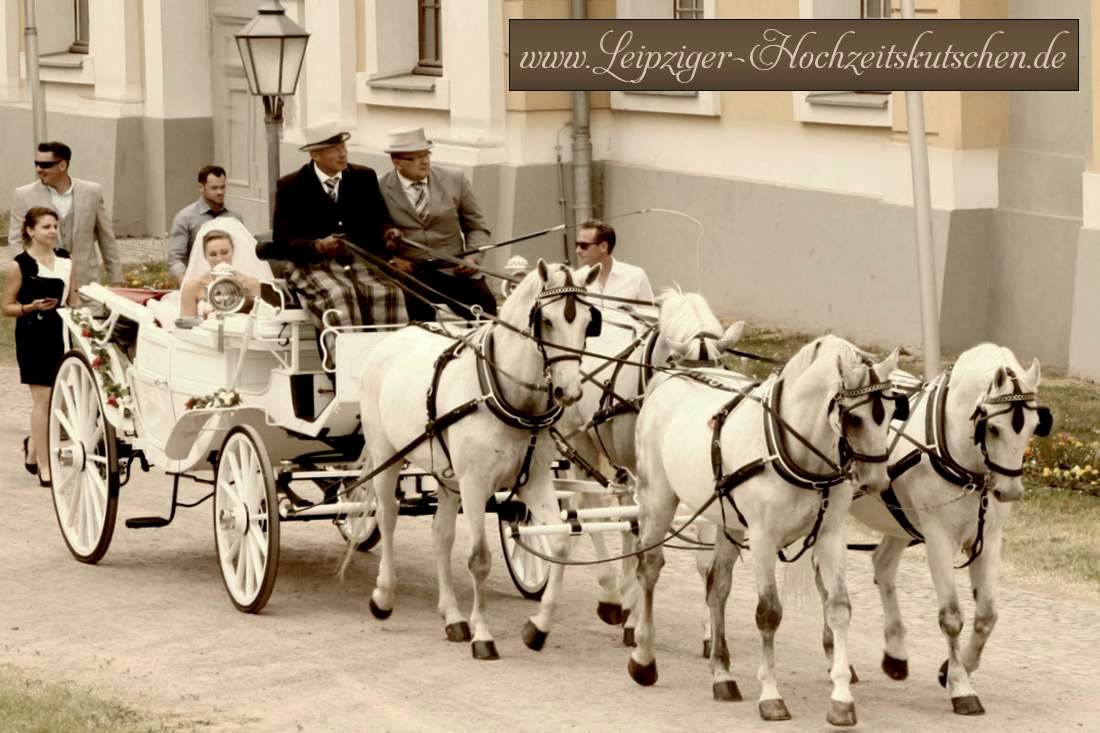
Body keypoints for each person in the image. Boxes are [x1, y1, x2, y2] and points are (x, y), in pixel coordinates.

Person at [260, 126, 406, 363]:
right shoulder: (291, 185)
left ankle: (389, 364)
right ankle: (345, 371)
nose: (342, 154)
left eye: (344, 147)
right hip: (311, 264)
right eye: (333, 149)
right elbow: (282, 241)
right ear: (314, 154)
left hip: (357, 261)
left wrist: (389, 232)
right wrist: (317, 246)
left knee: (391, 293)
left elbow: (380, 220)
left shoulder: (364, 177)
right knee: (340, 298)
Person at [378, 127, 497, 322]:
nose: (424, 161)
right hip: (412, 272)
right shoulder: (380, 188)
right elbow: (373, 231)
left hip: (453, 268)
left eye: (426, 154)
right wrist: (392, 259)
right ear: (396, 161)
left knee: (487, 314)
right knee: (417, 321)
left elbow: (476, 226)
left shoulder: (454, 179)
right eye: (415, 157)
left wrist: (472, 259)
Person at [2, 207, 80, 487]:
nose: (52, 231)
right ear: (31, 231)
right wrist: (29, 307)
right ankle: (46, 464)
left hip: (60, 331)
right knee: (43, 399)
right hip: (33, 333)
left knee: (60, 397)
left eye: (55, 226)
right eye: (46, 226)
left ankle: (33, 446)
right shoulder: (19, 265)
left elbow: (73, 298)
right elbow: (7, 307)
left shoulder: (66, 260)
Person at [7, 141, 123, 289]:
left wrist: (116, 279)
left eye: (44, 165)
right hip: (44, 284)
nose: (38, 169)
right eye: (36, 164)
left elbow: (107, 239)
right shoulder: (23, 195)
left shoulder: (92, 191)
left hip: (87, 283)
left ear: (62, 165)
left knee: (91, 313)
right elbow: (16, 240)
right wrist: (27, 277)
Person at [179, 219, 272, 318]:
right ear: (205, 256)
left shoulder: (251, 284)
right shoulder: (192, 287)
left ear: (233, 251)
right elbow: (186, 326)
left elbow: (262, 321)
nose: (219, 259)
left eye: (224, 252)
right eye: (213, 254)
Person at [168, 165, 242, 284]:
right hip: (197, 283)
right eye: (214, 188)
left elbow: (241, 254)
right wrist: (187, 287)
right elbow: (175, 258)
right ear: (201, 188)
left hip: (231, 286)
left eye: (223, 187)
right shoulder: (185, 218)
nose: (220, 192)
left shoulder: (235, 218)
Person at [573, 220, 655, 302]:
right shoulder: (575, 279)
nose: (577, 250)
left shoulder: (636, 276)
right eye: (576, 245)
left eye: (583, 245)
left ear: (603, 247)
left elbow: (649, 312)